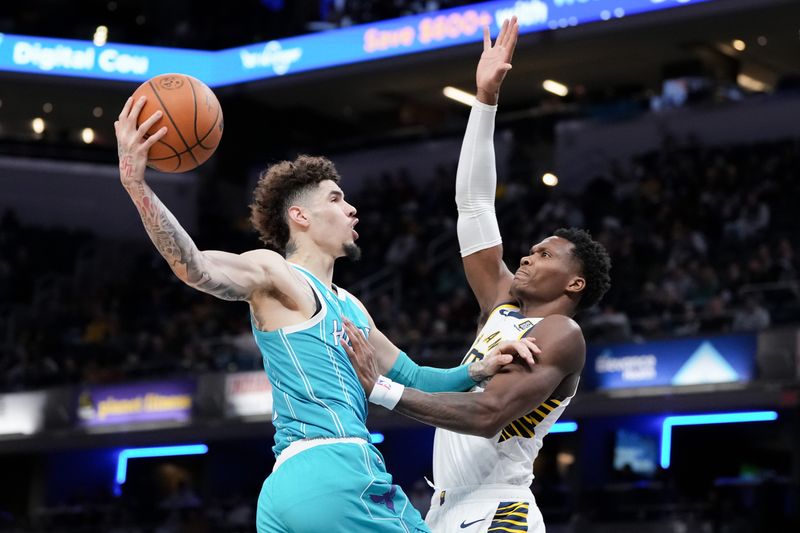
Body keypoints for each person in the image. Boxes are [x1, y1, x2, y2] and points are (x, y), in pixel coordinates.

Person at [114, 94, 537, 532]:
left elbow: (414, 379)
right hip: (339, 469)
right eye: (335, 199)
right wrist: (137, 185)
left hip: (285, 489)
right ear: (300, 216)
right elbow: (195, 267)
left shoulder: (351, 305)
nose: (351, 208)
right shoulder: (278, 272)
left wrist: (478, 369)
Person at [341, 18, 612, 533]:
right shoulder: (502, 305)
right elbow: (473, 204)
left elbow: (488, 414)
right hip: (444, 509)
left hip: (499, 510)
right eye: (530, 250)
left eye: (546, 255)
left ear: (574, 284)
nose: (528, 257)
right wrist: (484, 100)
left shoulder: (562, 334)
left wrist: (381, 390)